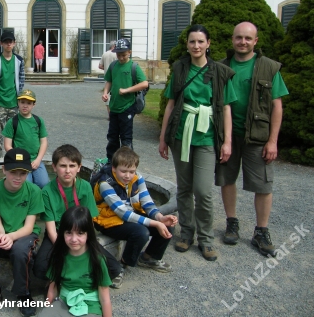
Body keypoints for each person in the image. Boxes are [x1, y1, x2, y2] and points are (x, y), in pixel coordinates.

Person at [159, 24, 237, 262]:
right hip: (182, 135)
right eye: (192, 42)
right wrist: (163, 138)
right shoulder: (180, 69)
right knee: (184, 188)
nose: (196, 46)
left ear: (208, 44)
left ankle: (206, 238)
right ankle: (187, 232)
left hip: (206, 137)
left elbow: (226, 108)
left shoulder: (220, 72)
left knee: (203, 191)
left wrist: (227, 142)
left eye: (200, 42)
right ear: (187, 45)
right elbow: (171, 105)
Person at [215, 22, 289, 257]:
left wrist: (273, 141)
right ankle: (232, 222)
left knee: (263, 185)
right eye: (239, 38)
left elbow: (277, 106)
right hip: (228, 135)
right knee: (227, 179)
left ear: (255, 41)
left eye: (248, 38)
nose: (243, 42)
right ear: (232, 39)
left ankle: (261, 230)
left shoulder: (268, 68)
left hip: (258, 136)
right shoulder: (221, 67)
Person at [33, 144, 124, 288]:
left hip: (82, 233)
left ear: (79, 167)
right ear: (54, 167)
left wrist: (81, 242)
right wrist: (65, 247)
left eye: (72, 165)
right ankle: (67, 281)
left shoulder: (86, 187)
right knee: (39, 268)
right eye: (63, 166)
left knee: (114, 269)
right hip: (58, 234)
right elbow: (50, 229)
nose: (67, 171)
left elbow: (90, 223)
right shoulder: (46, 191)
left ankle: (83, 280)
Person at [0, 148, 44, 317]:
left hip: (24, 233)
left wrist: (11, 237)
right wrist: (2, 236)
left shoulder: (34, 191)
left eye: (23, 173)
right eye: (13, 172)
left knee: (21, 252)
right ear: (4, 169)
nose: (18, 177)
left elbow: (28, 227)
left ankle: (23, 293)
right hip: (0, 231)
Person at [93, 147, 178, 272]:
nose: (128, 175)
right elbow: (123, 213)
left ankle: (148, 258)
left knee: (167, 225)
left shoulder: (137, 178)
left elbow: (147, 202)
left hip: (129, 214)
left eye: (131, 171)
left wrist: (160, 218)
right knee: (141, 233)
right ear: (114, 169)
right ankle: (122, 264)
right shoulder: (105, 184)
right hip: (107, 221)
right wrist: (155, 223)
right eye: (123, 171)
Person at [40, 206, 113, 317]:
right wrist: (46, 309)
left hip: (90, 305)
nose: (74, 239)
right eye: (69, 232)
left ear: (88, 234)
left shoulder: (97, 259)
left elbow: (104, 297)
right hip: (64, 301)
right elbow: (52, 288)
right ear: (62, 233)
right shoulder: (58, 256)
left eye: (80, 233)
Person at [102, 38, 149, 162]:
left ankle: (127, 163)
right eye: (118, 55)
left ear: (129, 52)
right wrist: (106, 93)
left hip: (127, 107)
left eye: (123, 55)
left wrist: (127, 90)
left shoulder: (134, 66)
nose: (121, 57)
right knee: (112, 137)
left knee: (126, 138)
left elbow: (144, 83)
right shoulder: (113, 66)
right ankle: (111, 162)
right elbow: (109, 81)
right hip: (114, 107)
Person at [0, 31, 25, 158]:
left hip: (13, 104)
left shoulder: (19, 61)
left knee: (14, 135)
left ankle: (13, 159)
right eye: (6, 41)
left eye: (11, 41)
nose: (8, 44)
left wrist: (17, 96)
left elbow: (21, 81)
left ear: (14, 43)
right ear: (1, 43)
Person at [2, 89, 49, 188]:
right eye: (22, 102)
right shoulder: (12, 122)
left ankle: (40, 201)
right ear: (18, 102)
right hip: (20, 161)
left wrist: (38, 159)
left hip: (36, 159)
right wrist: (18, 158)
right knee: (25, 184)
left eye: (29, 103)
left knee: (44, 183)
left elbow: (43, 142)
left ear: (33, 105)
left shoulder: (38, 121)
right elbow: (7, 145)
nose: (25, 105)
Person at [98, 41, 118, 120]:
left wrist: (106, 68)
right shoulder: (116, 54)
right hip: (116, 76)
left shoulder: (105, 54)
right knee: (116, 95)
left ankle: (110, 114)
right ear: (114, 46)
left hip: (107, 77)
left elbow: (100, 66)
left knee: (107, 96)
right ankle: (116, 114)